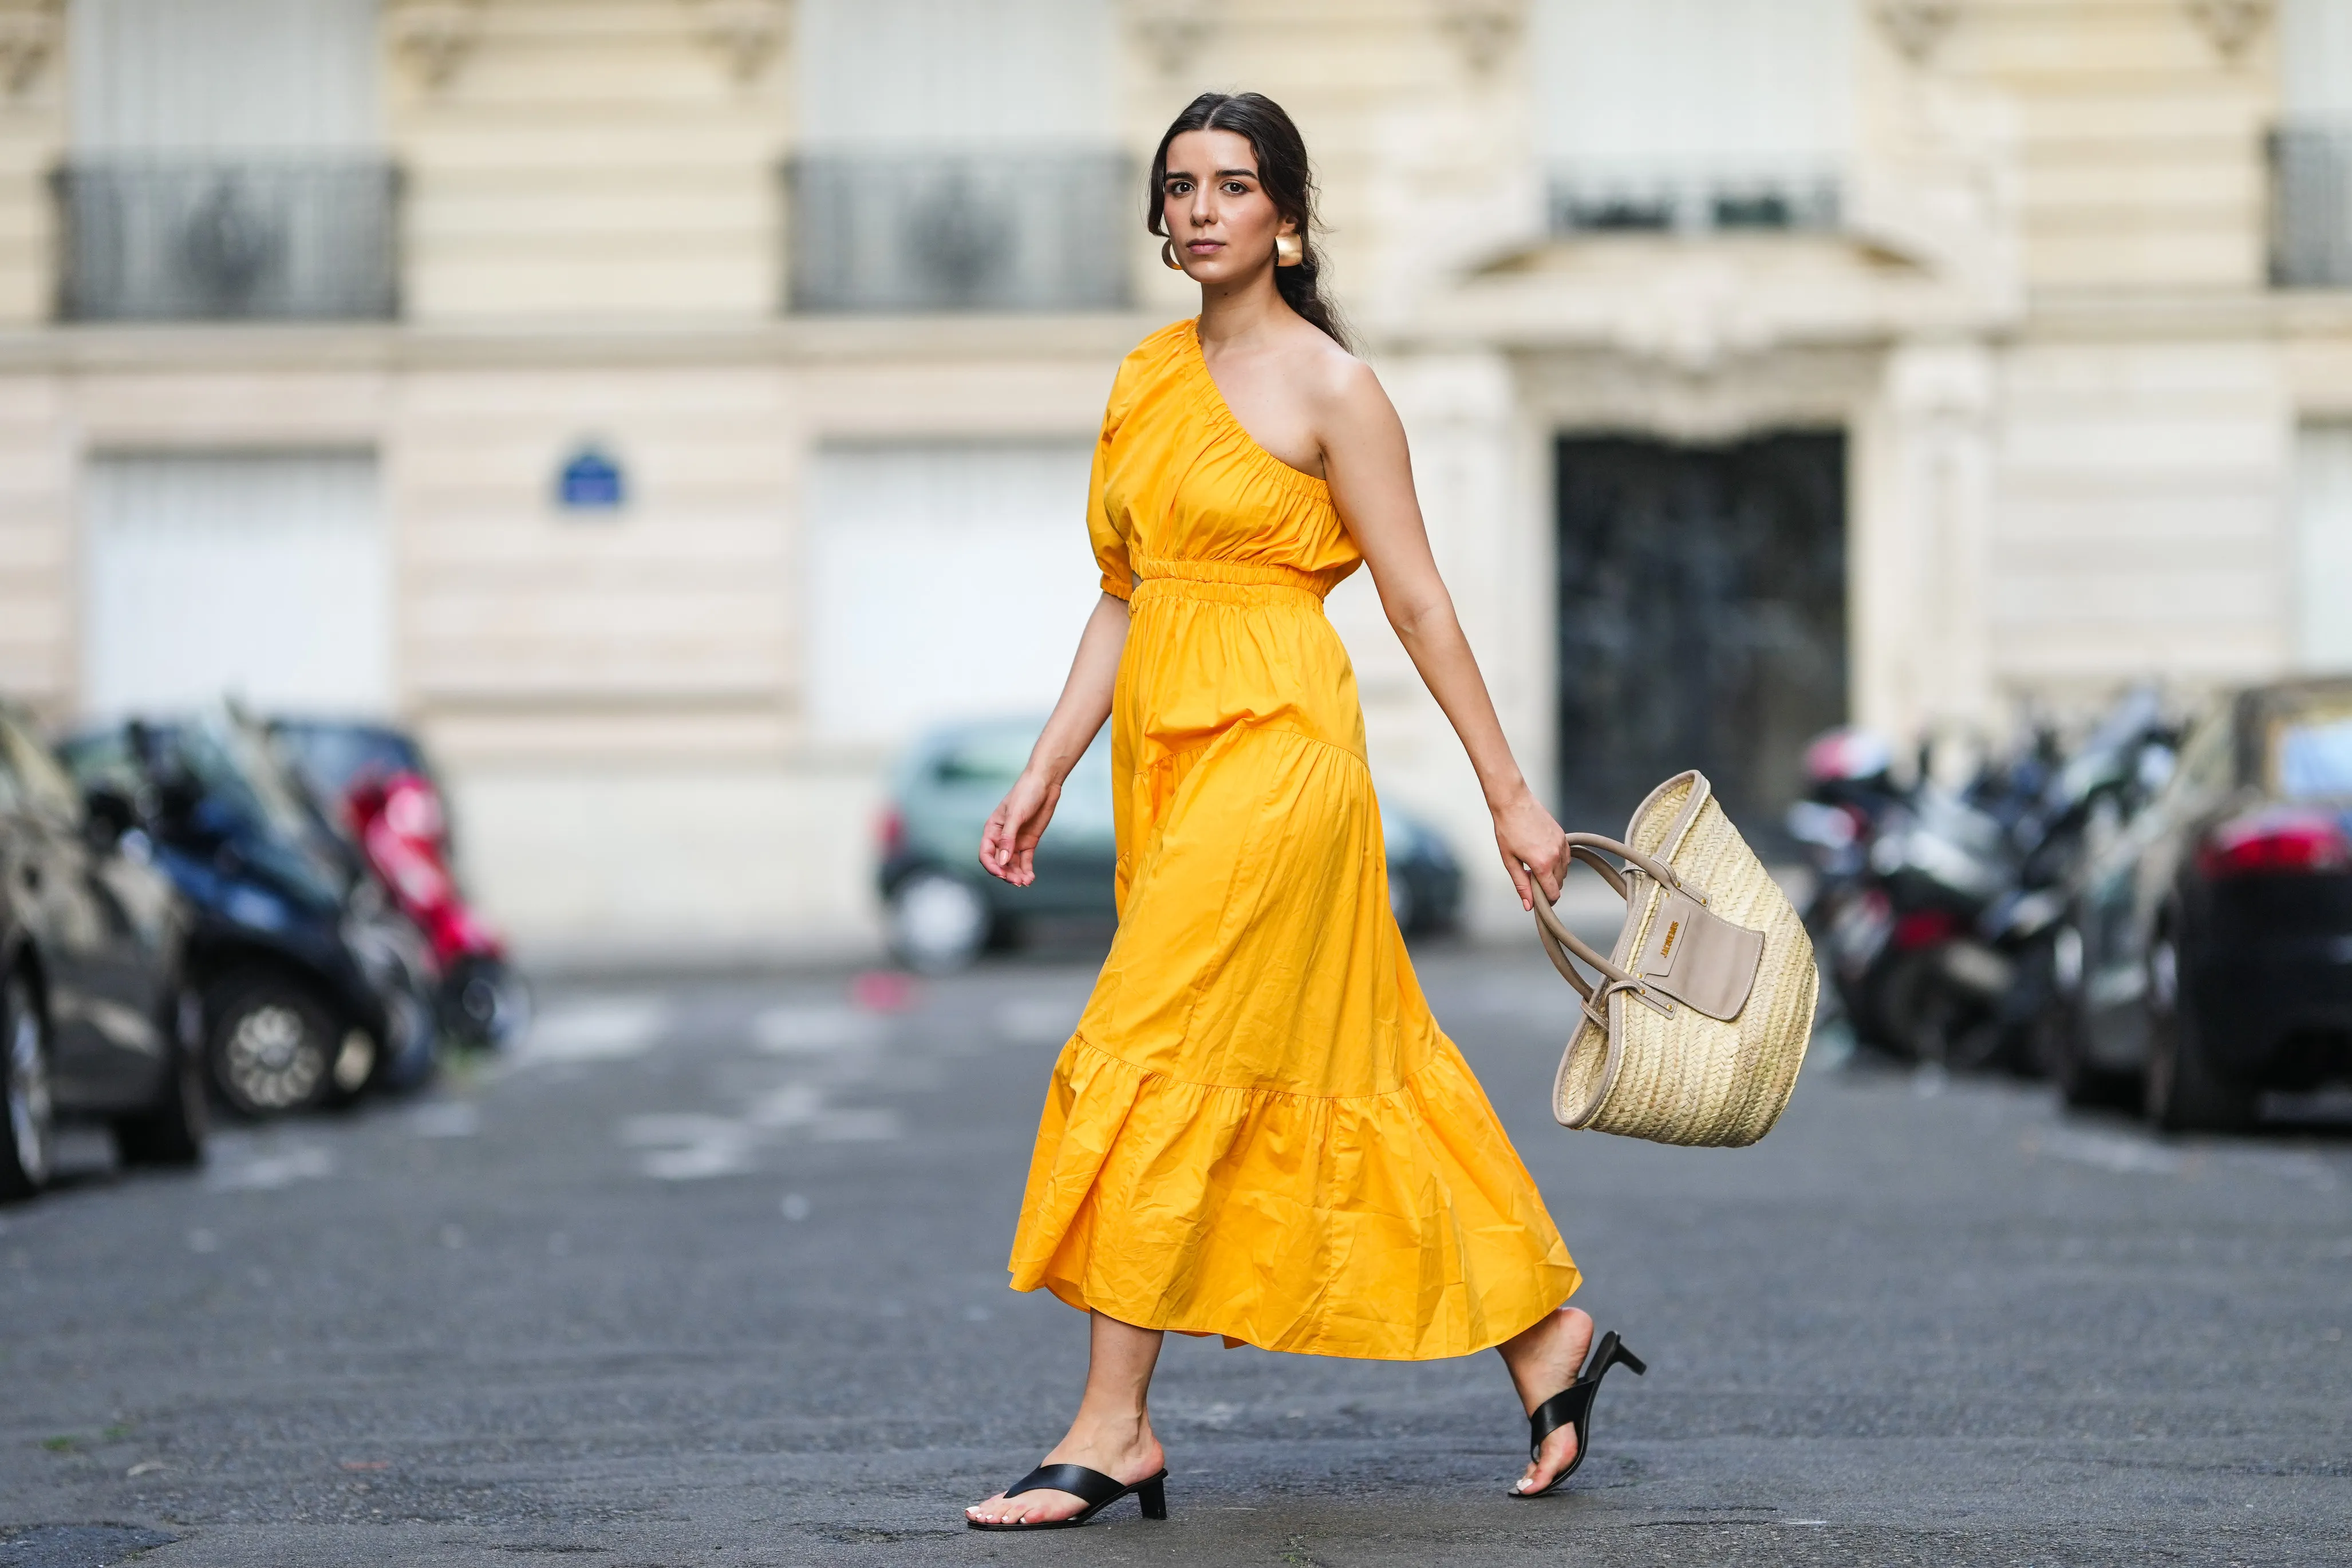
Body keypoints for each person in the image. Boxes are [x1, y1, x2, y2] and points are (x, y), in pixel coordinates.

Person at [964, 91, 1641, 1532]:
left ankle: (1112, 1426)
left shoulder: (1336, 388)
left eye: (1233, 183)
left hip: (1279, 762)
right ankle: (1548, 1340)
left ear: (1285, 214)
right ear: (1159, 217)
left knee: (1141, 1049)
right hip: (1168, 765)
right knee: (1361, 1060)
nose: (1202, 208)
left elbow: (1415, 601)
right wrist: (1043, 769)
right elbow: (1123, 599)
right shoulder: (1145, 377)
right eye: (1179, 186)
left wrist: (1509, 797)